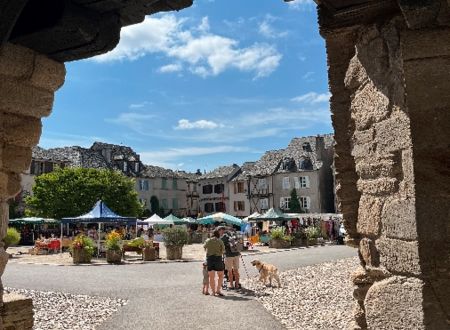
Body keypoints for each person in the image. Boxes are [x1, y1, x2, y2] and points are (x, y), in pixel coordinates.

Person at [203, 229, 225, 297]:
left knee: (211, 277)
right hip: (218, 258)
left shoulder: (208, 240)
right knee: (221, 275)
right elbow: (223, 250)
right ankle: (218, 290)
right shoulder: (220, 241)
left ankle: (213, 292)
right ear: (218, 234)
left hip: (210, 259)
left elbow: (204, 248)